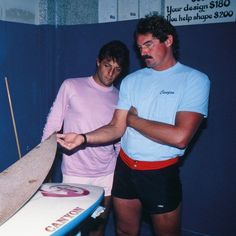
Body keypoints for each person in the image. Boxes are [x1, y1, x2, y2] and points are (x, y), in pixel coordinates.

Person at [57, 14, 210, 236]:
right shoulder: (131, 81)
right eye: (139, 47)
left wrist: (132, 119)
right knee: (125, 231)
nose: (143, 52)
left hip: (160, 172)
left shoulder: (194, 80)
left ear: (168, 40)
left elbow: (180, 137)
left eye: (148, 44)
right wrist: (83, 138)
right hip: (125, 170)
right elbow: (115, 128)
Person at [42, 40, 129, 236]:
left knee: (98, 225)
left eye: (116, 69)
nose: (110, 73)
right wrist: (43, 166)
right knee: (72, 228)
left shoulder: (119, 97)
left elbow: (118, 139)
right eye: (107, 66)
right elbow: (53, 125)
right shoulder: (72, 85)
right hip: (75, 172)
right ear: (98, 62)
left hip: (107, 172)